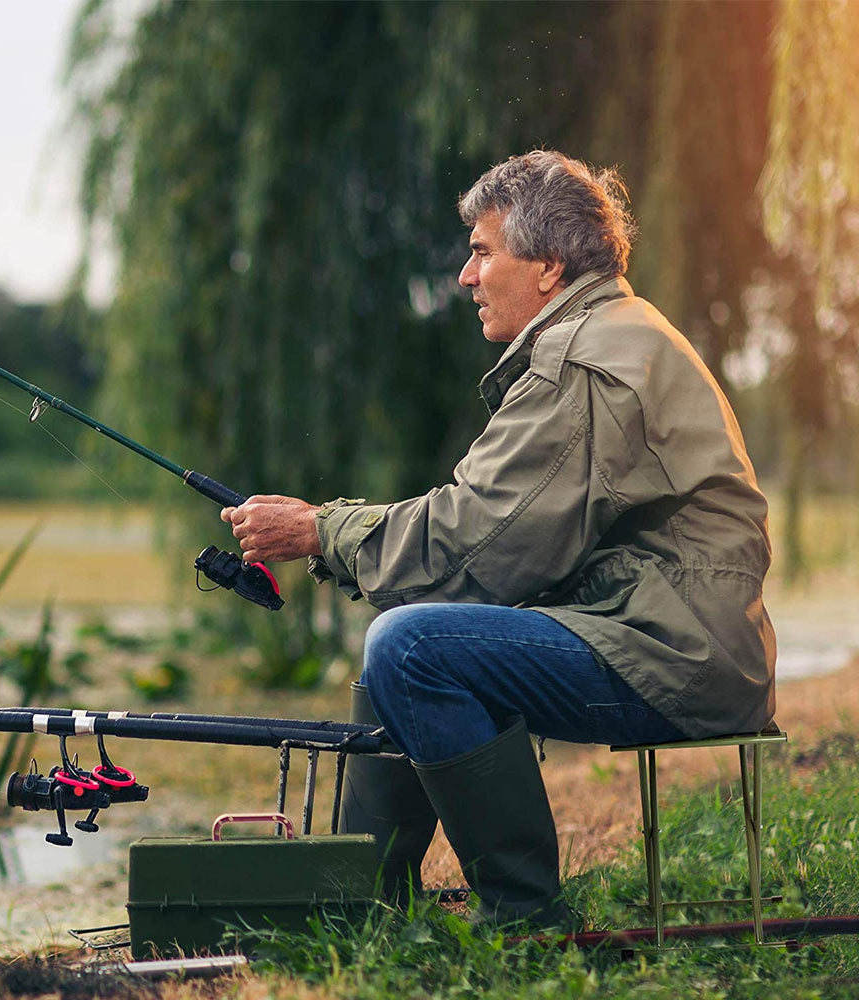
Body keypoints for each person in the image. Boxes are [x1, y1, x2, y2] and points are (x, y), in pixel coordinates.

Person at [220, 150, 776, 927]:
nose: (465, 276)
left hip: (671, 659)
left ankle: (524, 915)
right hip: (678, 642)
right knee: (402, 645)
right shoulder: (612, 332)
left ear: (548, 267)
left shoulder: (582, 362)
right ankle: (356, 906)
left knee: (410, 646)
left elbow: (476, 542)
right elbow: (497, 545)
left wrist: (320, 529)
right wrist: (341, 538)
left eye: (483, 252)